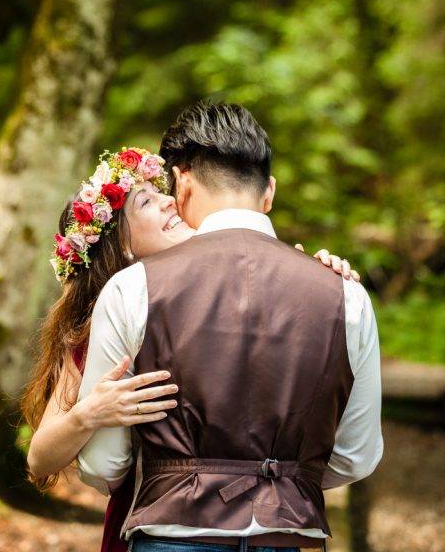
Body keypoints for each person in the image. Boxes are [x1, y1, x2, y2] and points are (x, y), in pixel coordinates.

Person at [23, 135, 361, 552]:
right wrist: (87, 414)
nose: (170, 201)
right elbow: (39, 458)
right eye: (146, 203)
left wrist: (320, 278)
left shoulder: (235, 283)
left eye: (162, 193)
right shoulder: (99, 328)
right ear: (122, 246)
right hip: (150, 521)